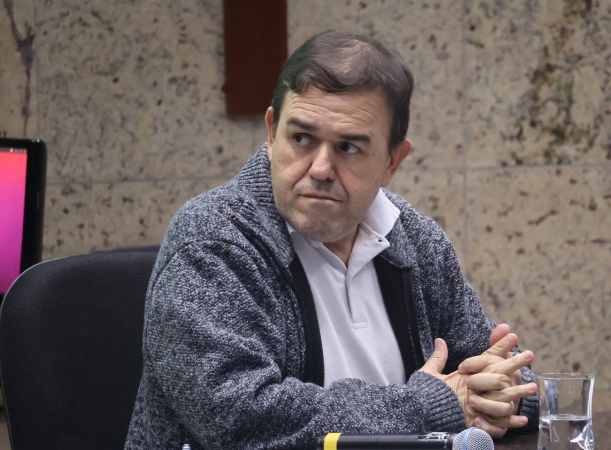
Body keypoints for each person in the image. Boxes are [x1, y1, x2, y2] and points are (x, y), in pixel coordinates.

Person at [125, 30, 538, 450]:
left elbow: (498, 371)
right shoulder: (213, 241)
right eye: (302, 139)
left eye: (348, 147)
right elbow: (242, 420)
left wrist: (504, 393)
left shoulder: (416, 240)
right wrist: (429, 407)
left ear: (392, 161)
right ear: (272, 134)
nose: (320, 168)